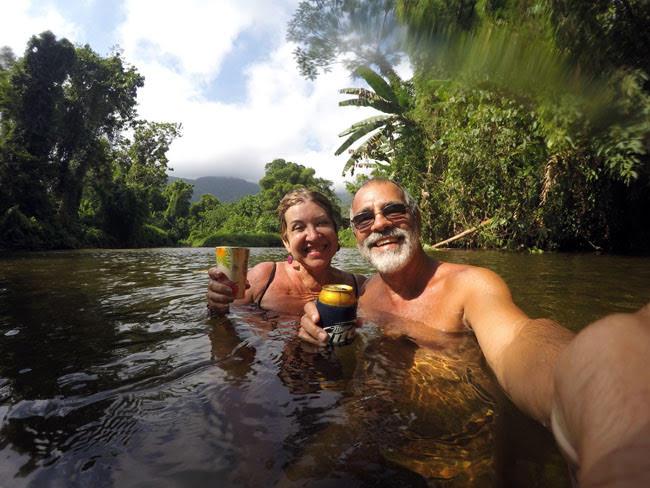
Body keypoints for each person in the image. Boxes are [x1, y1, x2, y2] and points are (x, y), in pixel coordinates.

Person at [298, 178, 650, 486]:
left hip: (460, 453)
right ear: (356, 234)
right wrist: (311, 327)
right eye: (364, 218)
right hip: (378, 439)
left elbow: (516, 339)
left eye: (394, 210)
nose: (380, 224)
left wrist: (587, 381)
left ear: (417, 218)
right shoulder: (363, 292)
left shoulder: (471, 285)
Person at [206, 188, 365, 317]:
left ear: (336, 232)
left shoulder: (358, 287)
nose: (313, 235)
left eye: (322, 223)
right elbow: (226, 326)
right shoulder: (264, 277)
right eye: (298, 227)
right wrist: (217, 306)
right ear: (286, 242)